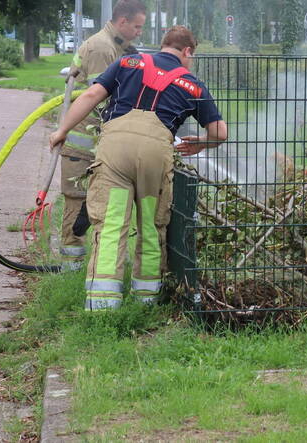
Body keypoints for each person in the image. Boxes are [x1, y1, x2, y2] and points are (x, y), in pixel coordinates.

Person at [49, 26, 227, 310]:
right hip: (155, 156)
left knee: (110, 225)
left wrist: (62, 131)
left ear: (163, 45)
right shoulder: (193, 85)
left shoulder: (128, 62)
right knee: (151, 226)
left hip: (115, 152)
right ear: (187, 51)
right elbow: (220, 132)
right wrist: (202, 144)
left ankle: (102, 305)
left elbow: (90, 96)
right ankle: (146, 301)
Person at [58, 0, 147, 267]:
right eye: (137, 28)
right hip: (83, 142)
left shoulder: (118, 47)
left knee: (95, 204)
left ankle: (85, 264)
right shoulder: (101, 49)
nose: (139, 33)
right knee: (77, 202)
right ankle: (70, 267)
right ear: (123, 22)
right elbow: (100, 100)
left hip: (97, 140)